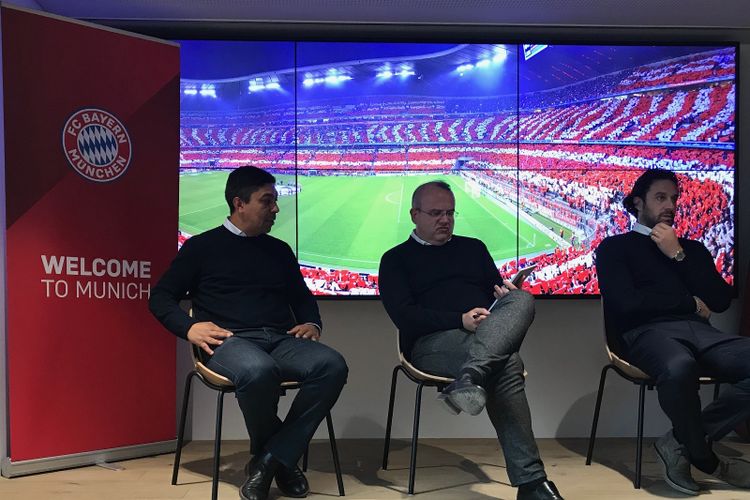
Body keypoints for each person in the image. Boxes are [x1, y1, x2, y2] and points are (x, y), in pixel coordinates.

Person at [149, 166, 348, 500]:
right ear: (239, 203)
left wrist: (312, 323)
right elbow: (161, 298)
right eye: (267, 201)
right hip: (229, 341)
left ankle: (268, 461)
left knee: (333, 365)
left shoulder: (279, 250)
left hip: (281, 339)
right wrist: (189, 327)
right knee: (258, 371)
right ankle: (282, 462)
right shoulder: (201, 247)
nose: (276, 209)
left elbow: (301, 297)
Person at [378, 180, 564, 500]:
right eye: (436, 213)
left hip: (481, 336)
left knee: (522, 300)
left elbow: (496, 297)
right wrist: (458, 320)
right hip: (430, 344)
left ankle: (470, 376)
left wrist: (505, 298)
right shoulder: (395, 259)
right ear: (414, 214)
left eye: (450, 212)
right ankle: (532, 483)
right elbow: (404, 317)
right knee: (508, 363)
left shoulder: (473, 247)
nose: (445, 219)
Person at [595, 168, 750, 495]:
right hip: (645, 335)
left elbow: (720, 301)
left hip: (701, 334)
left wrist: (678, 255)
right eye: (660, 197)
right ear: (638, 202)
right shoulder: (614, 248)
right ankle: (706, 458)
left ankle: (680, 441)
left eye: (674, 198)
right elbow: (626, 305)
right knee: (680, 366)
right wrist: (688, 303)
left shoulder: (690, 250)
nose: (670, 205)